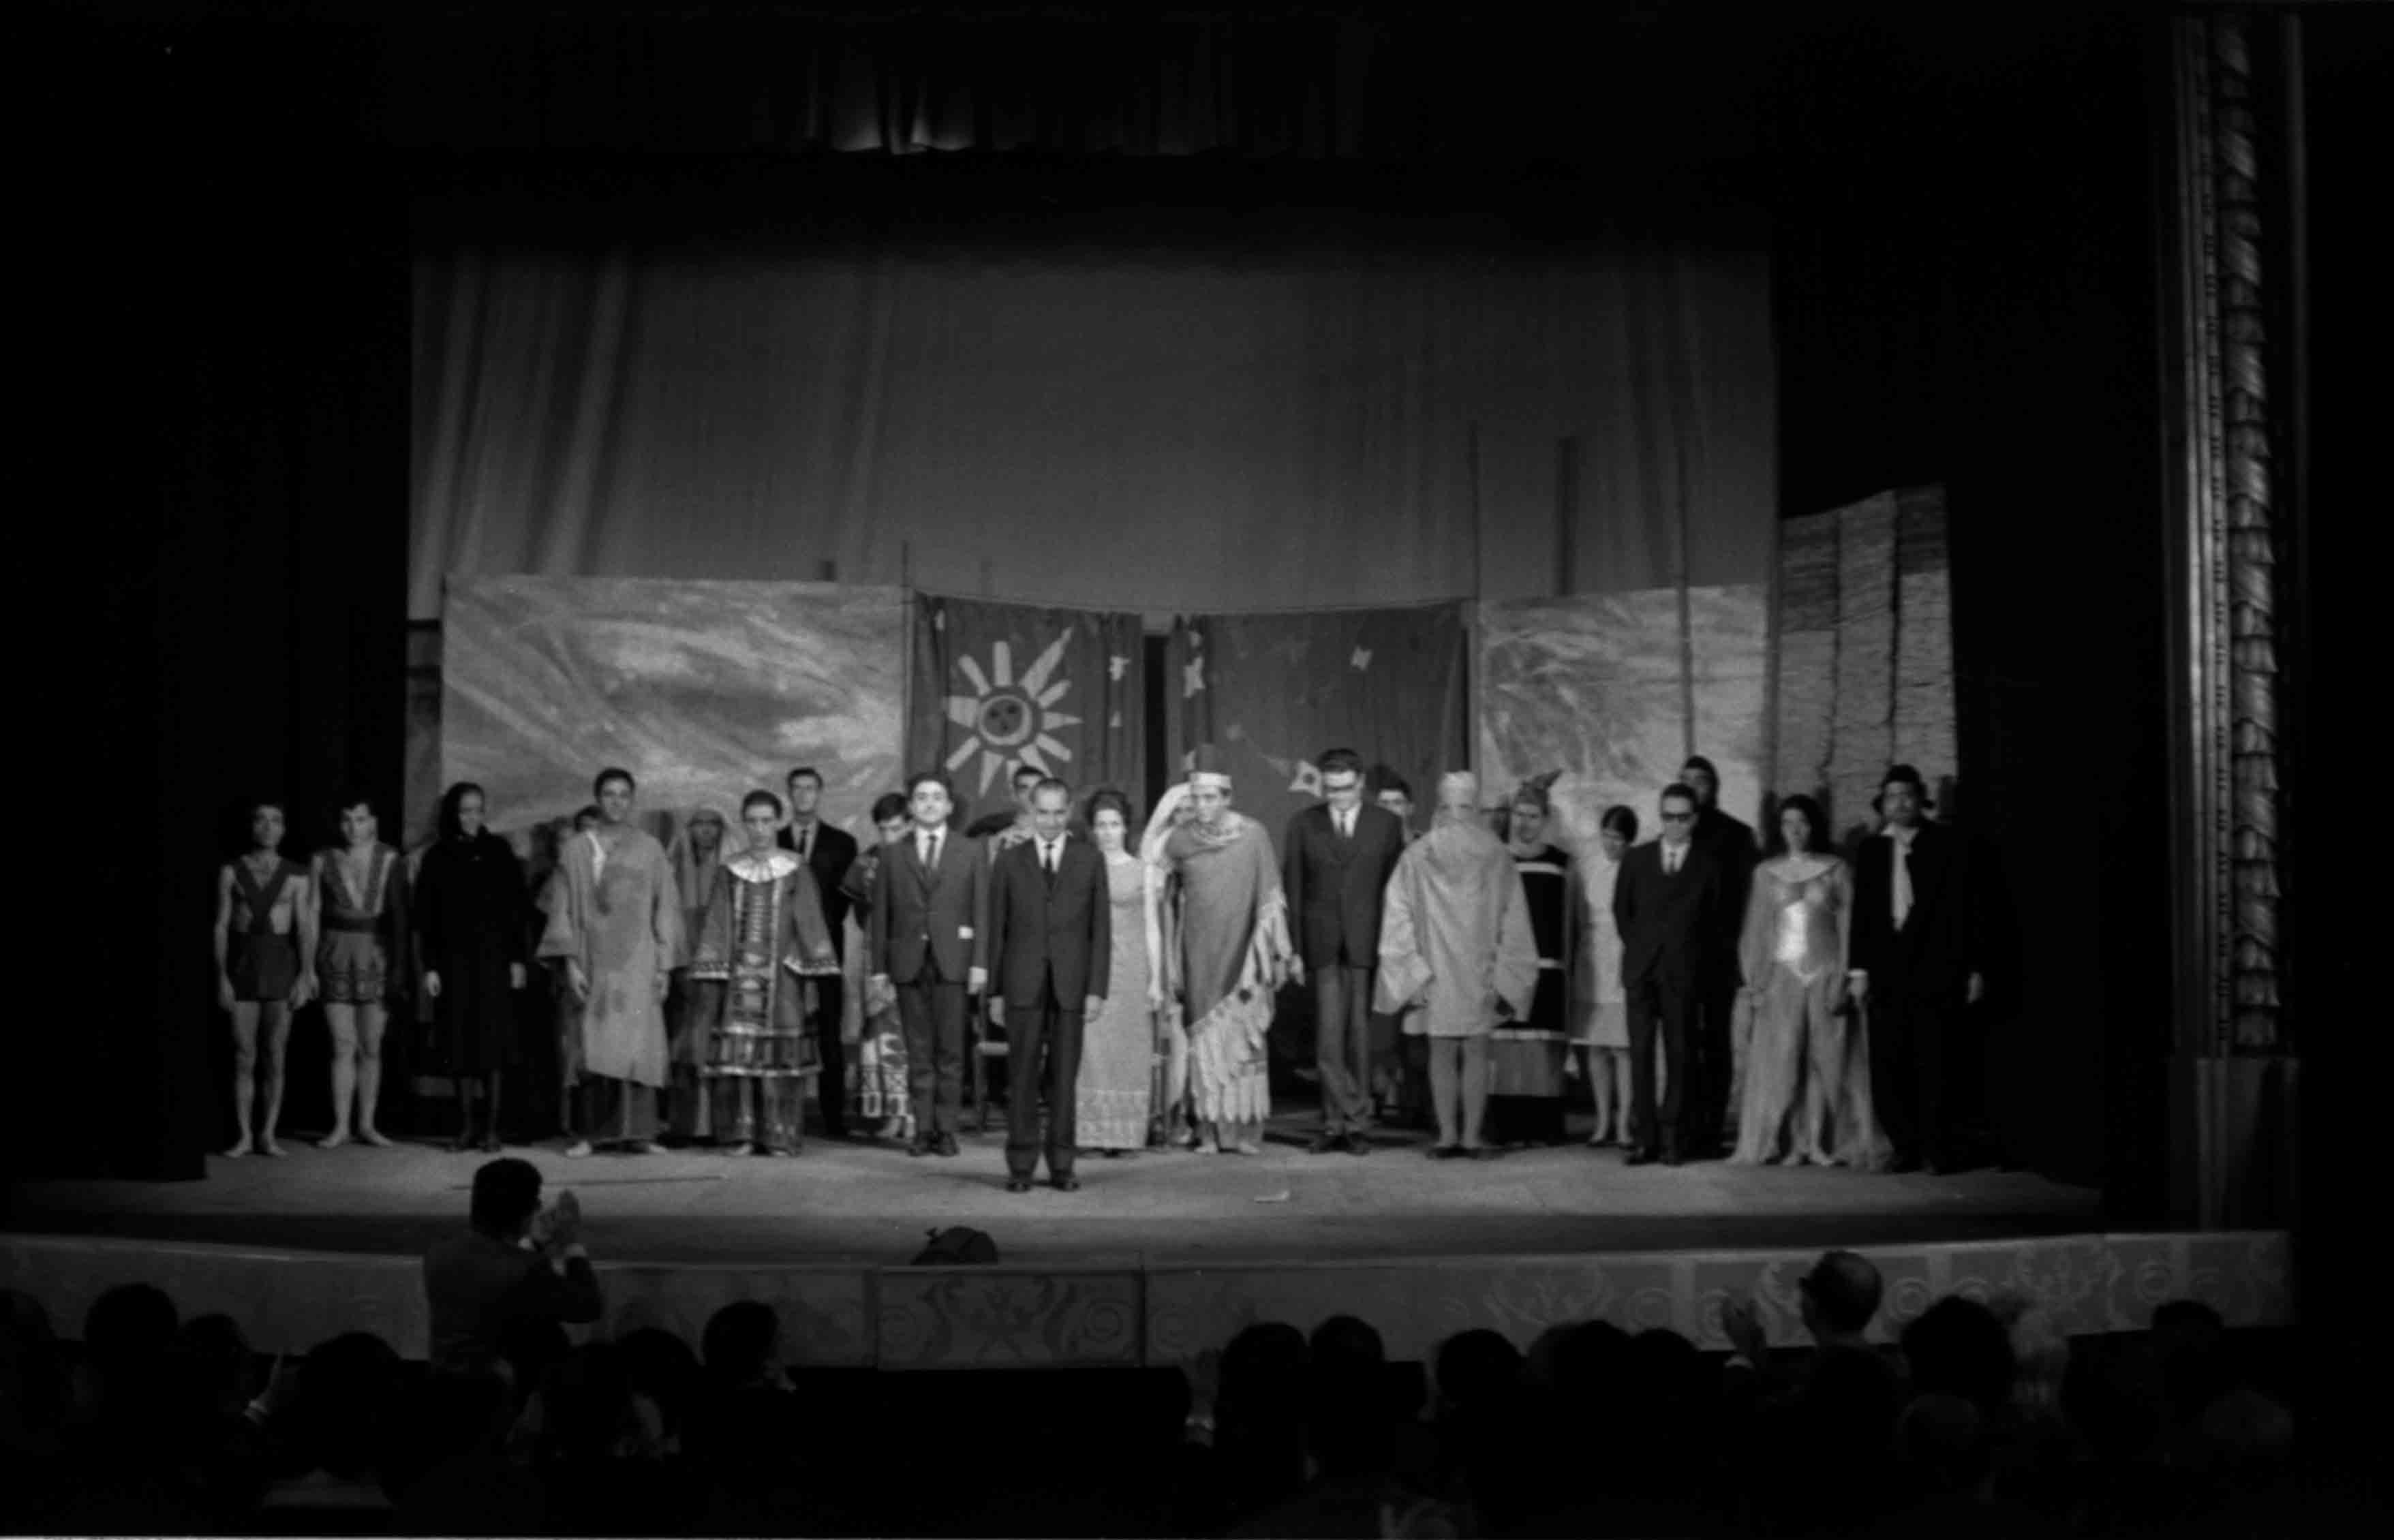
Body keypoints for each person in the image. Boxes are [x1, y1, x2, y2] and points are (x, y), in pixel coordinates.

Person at [1376, 771, 1541, 1160]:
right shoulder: (1424, 856)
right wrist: (1412, 969)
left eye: (1463, 807)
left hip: (1471, 970)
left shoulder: (1487, 856)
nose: (1456, 816)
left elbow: (1513, 918)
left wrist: (1507, 973)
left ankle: (1463, 1135)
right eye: (1451, 808)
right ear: (1440, 808)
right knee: (1449, 1051)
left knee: (1469, 1051)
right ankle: (1453, 1135)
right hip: (1443, 970)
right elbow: (1398, 914)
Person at [1732, 794, 1889, 1167]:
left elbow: (1848, 924)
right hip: (1782, 977)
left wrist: (1849, 974)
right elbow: (1756, 930)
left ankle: (1821, 1142)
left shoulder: (1835, 869)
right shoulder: (1766, 873)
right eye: (1788, 823)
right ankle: (1789, 1142)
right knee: (1786, 1061)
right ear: (1779, 828)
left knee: (1826, 1061)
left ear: (1814, 826)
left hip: (1825, 972)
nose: (1795, 831)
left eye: (1802, 822)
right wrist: (1754, 981)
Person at [686, 790, 842, 1156]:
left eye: (766, 821)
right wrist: (715, 969)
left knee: (780, 1056)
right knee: (740, 1056)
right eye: (752, 821)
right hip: (739, 978)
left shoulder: (795, 866)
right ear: (745, 823)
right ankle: (742, 1134)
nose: (759, 829)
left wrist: (811, 969)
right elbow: (718, 922)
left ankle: (780, 1135)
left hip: (783, 977)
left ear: (777, 822)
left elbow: (810, 919)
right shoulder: (731, 869)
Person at [1850, 765, 1988, 1173]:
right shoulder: (1872, 850)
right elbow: (1863, 916)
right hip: (1887, 971)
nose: (1900, 803)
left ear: (1921, 798)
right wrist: (1858, 971)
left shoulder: (1947, 844)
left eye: (1907, 794)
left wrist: (1976, 968)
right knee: (1890, 1061)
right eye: (1892, 796)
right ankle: (1904, 1145)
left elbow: (1969, 909)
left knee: (1936, 1060)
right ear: (1883, 802)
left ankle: (1939, 1147)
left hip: (1936, 968)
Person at [539, 768, 683, 1158]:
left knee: (638, 1046)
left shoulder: (650, 848)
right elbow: (562, 911)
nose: (616, 801)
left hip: (638, 960)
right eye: (609, 794)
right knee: (591, 1046)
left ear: (632, 800)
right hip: (591, 959)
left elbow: (665, 907)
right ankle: (590, 1135)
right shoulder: (577, 849)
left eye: (624, 795)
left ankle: (639, 1134)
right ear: (598, 798)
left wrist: (665, 967)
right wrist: (570, 963)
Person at [1154, 769, 1291, 1155]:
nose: (1203, 806)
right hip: (1198, 952)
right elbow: (1159, 893)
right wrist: (1166, 959)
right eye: (1197, 798)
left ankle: (1244, 1132)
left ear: (1228, 798)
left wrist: (1271, 953)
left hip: (1243, 953)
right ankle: (1208, 1131)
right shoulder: (1180, 840)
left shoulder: (1253, 835)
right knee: (1203, 1039)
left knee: (1243, 1036)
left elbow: (1269, 895)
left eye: (1211, 798)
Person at [986, 777, 1110, 1192]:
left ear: (1070, 811)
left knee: (1063, 1079)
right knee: (1020, 1078)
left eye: (1059, 812)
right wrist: (996, 991)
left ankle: (1062, 1166)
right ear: (1030, 811)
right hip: (1021, 984)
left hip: (1072, 986)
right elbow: (997, 931)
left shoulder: (1089, 859)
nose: (1052, 820)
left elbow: (1100, 930)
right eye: (1044, 812)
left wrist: (1095, 988)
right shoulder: (1008, 860)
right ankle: (1020, 1167)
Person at [1283, 748, 1408, 1156]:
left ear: (1361, 784)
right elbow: (1294, 890)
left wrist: (1394, 947)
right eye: (1331, 790)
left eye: (1346, 789)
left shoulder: (1386, 825)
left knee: (1359, 1039)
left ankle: (1353, 1127)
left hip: (1367, 942)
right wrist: (1294, 950)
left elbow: (1396, 892)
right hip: (1320, 945)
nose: (1338, 797)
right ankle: (1339, 1121)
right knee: (1327, 1040)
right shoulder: (1304, 824)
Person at [867, 770, 988, 1157]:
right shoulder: (892, 854)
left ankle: (947, 1129)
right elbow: (881, 916)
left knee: (951, 1052)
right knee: (918, 1051)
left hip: (954, 961)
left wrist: (980, 964)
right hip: (908, 962)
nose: (930, 803)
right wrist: (880, 968)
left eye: (937, 797)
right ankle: (923, 1128)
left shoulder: (970, 851)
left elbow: (982, 911)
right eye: (921, 797)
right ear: (912, 807)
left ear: (950, 807)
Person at [1612, 782, 1726, 1165]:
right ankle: (1645, 1139)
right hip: (1641, 972)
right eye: (1667, 817)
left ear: (1693, 819)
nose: (1674, 824)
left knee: (1681, 1055)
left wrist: (1689, 960)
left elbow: (1716, 923)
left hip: (1684, 974)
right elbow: (1622, 912)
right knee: (1641, 1055)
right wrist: (1642, 951)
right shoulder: (1637, 859)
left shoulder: (1708, 864)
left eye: (1681, 817)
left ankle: (1675, 1140)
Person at [416, 782, 530, 1153]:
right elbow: (427, 917)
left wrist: (517, 960)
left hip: (495, 962)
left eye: (478, 810)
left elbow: (516, 911)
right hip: (453, 965)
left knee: (493, 1046)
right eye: (465, 811)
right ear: (453, 813)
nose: (472, 817)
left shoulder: (499, 851)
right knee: (460, 1045)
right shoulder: (438, 856)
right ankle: (465, 1129)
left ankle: (492, 1131)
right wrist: (430, 967)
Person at [422, 1157, 602, 1374]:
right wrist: (571, 1241)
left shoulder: (438, 1253)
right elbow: (587, 1306)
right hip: (499, 1392)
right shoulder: (527, 1268)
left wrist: (532, 1244)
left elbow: (493, 1282)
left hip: (446, 1381)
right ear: (528, 1209)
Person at [214, 800, 315, 1158]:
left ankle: (267, 1134)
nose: (268, 827)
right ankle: (243, 1135)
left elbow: (304, 927)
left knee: (275, 1054)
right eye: (261, 820)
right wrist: (221, 976)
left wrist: (306, 974)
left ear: (284, 829)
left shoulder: (297, 875)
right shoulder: (231, 870)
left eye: (276, 821)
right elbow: (222, 924)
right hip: (243, 967)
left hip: (280, 967)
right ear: (252, 827)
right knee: (244, 1055)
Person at [313, 790, 412, 1149]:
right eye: (346, 820)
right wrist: (310, 966)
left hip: (375, 954)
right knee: (342, 1044)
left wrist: (400, 968)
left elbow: (401, 918)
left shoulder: (390, 859)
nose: (353, 827)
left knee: (371, 1045)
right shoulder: (323, 860)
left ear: (373, 822)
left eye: (360, 819)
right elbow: (311, 916)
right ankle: (341, 1125)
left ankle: (367, 1124)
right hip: (335, 951)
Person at [777, 766, 860, 1141]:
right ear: (789, 795)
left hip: (828, 948)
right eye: (798, 789)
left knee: (829, 1033)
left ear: (820, 793)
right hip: (780, 951)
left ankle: (833, 1118)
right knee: (784, 1029)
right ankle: (783, 1116)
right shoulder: (774, 840)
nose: (804, 795)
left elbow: (844, 901)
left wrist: (818, 932)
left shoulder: (843, 843)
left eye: (811, 789)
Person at [1681, 754, 1757, 1156]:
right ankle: (1683, 1127)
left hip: (1719, 958)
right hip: (1678, 959)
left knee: (1714, 1043)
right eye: (1686, 779)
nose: (1694, 787)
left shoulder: (1736, 835)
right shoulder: (1673, 832)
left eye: (1702, 780)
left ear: (1715, 787)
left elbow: (1749, 902)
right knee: (1681, 1042)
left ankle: (1710, 1130)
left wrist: (1743, 957)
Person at [1492, 775, 1574, 1147]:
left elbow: (1570, 921)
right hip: (1506, 967)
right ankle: (1507, 1127)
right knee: (1507, 1049)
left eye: (1533, 815)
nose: (1524, 822)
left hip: (1548, 967)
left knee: (1541, 1051)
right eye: (1519, 814)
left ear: (1545, 818)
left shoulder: (1560, 863)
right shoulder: (1497, 859)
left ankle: (1542, 1127)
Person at [1075, 789, 1155, 1156]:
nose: (1108, 832)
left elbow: (1156, 928)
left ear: (1126, 827)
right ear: (1092, 830)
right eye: (1101, 825)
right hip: (1091, 972)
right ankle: (1090, 1135)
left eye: (1115, 824)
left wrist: (1158, 979)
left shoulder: (1143, 872)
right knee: (1090, 1051)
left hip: (1131, 971)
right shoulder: (1079, 868)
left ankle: (1124, 1136)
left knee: (1129, 1051)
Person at [840, 792, 916, 1143]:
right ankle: (891, 1114)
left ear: (910, 824)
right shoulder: (867, 860)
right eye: (883, 830)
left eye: (896, 829)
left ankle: (915, 1115)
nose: (889, 837)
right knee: (879, 1032)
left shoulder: (923, 855)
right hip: (876, 955)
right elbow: (856, 909)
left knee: (914, 1035)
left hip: (916, 954)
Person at [1139, 783, 1199, 1147]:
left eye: (1193, 810)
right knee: (1172, 1038)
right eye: (1180, 811)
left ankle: (1200, 1116)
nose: (1186, 817)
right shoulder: (1155, 858)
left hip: (1202, 952)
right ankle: (1167, 1116)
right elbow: (1151, 918)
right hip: (1166, 955)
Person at [664, 807, 730, 1139]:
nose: (706, 831)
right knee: (683, 1045)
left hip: (721, 967)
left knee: (714, 1044)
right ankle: (684, 1126)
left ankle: (716, 1126)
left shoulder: (730, 865)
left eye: (713, 824)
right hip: (682, 964)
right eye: (699, 824)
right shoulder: (674, 863)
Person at [1573, 805, 1636, 1150]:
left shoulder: (1636, 869)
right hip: (1592, 961)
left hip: (1623, 960)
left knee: (1622, 1049)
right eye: (1607, 837)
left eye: (1618, 838)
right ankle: (1602, 1120)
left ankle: (1625, 1122)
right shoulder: (1589, 870)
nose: (1611, 844)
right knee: (1596, 1047)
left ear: (1629, 841)